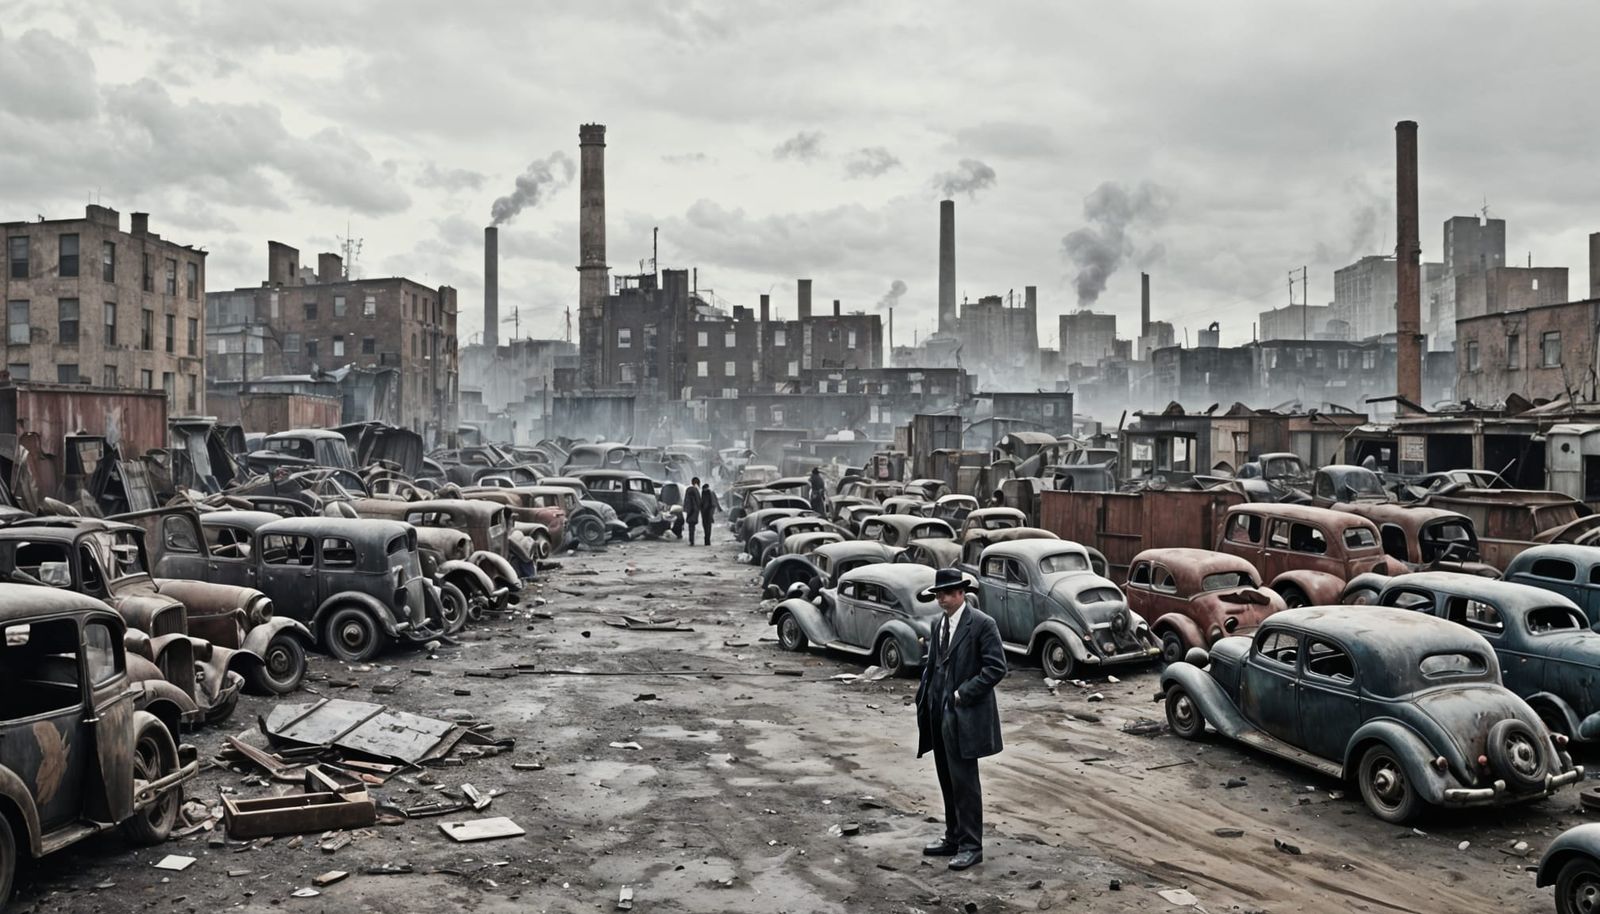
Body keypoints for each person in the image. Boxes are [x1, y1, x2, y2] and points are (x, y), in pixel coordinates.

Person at [914, 567, 1006, 870]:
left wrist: (961, 694)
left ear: (961, 593)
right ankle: (953, 837)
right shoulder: (938, 624)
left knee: (965, 783)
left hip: (964, 714)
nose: (941, 599)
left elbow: (996, 668)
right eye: (938, 594)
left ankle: (971, 846)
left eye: (946, 593)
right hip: (938, 713)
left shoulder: (982, 624)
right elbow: (933, 665)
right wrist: (927, 696)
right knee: (946, 778)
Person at [682, 478, 703, 546]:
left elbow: (685, 500)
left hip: (690, 510)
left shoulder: (688, 489)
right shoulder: (695, 490)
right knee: (692, 526)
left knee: (691, 526)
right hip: (694, 511)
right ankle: (692, 541)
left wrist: (686, 509)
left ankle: (691, 540)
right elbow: (699, 501)